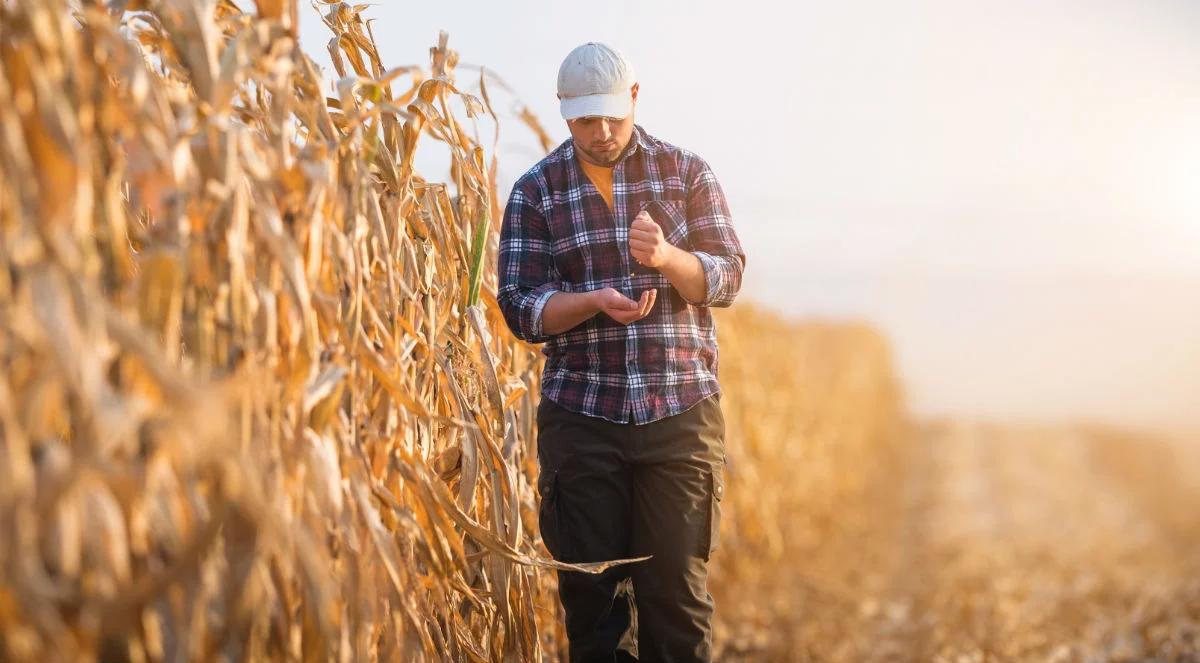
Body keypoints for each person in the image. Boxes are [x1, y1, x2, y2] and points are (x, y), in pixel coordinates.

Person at [497, 41, 746, 663]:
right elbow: (521, 309)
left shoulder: (686, 173)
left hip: (679, 415)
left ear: (634, 99)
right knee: (593, 612)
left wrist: (666, 258)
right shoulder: (537, 192)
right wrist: (591, 300)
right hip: (582, 418)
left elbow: (725, 279)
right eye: (585, 121)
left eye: (612, 117)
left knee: (676, 609)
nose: (602, 133)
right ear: (564, 114)